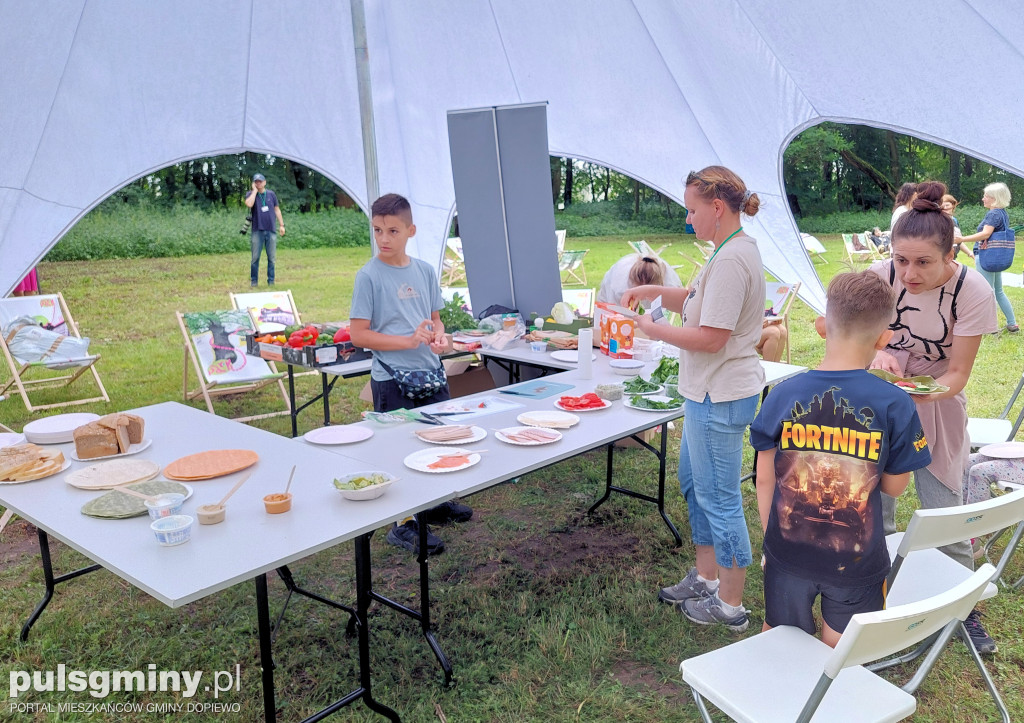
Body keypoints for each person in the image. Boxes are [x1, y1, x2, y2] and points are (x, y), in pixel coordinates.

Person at [750, 271, 929, 646]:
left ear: (821, 327)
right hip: (859, 561)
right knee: (842, 656)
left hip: (786, 554)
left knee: (781, 645)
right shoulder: (896, 403)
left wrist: (771, 545)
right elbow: (895, 486)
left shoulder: (782, 395)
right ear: (884, 339)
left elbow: (764, 479)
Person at [623, 166, 765, 632]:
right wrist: (655, 289)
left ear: (717, 208)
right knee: (694, 484)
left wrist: (652, 327)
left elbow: (710, 336)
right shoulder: (726, 251)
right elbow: (699, 296)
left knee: (720, 497)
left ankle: (730, 604)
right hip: (707, 393)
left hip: (719, 394)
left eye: (692, 210)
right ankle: (706, 577)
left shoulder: (731, 258)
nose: (688, 220)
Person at [869, 180, 999, 653]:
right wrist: (877, 351)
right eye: (901, 260)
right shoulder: (878, 275)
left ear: (950, 256)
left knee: (945, 508)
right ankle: (874, 595)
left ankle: (962, 609)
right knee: (873, 504)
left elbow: (960, 371)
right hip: (881, 399)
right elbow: (843, 329)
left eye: (923, 262)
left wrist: (923, 392)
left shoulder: (972, 290)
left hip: (938, 402)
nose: (909, 273)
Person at [349, 193, 471, 556]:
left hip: (430, 372)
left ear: (410, 230)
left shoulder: (424, 271)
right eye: (377, 230)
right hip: (391, 377)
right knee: (399, 448)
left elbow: (435, 318)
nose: (383, 239)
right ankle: (403, 524)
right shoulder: (368, 276)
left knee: (437, 440)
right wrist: (406, 342)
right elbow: (358, 334)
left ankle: (433, 504)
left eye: (392, 230)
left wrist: (439, 336)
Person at [959, 182, 1016, 332]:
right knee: (998, 291)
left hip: (987, 257)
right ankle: (1012, 323)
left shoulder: (993, 214)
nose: (983, 198)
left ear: (995, 198)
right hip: (996, 257)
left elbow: (985, 234)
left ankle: (990, 328)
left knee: (986, 292)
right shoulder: (1002, 213)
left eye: (986, 196)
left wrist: (961, 239)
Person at [243, 173, 285, 287]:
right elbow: (249, 204)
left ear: (264, 182)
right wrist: (254, 191)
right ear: (253, 183)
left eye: (260, 181)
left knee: (271, 258)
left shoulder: (271, 194)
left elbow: (277, 210)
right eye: (256, 181)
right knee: (255, 257)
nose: (258, 183)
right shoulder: (250, 194)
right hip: (257, 230)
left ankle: (271, 282)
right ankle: (254, 282)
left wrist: (281, 225)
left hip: (271, 230)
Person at [596, 254, 682, 305]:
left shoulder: (670, 283)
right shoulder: (619, 285)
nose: (643, 291)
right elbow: (615, 312)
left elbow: (683, 305)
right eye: (640, 286)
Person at [942, 193, 974, 261]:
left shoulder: (954, 220)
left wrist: (969, 253)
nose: (944, 208)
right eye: (942, 206)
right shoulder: (939, 221)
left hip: (953, 257)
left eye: (947, 205)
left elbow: (958, 240)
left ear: (953, 205)